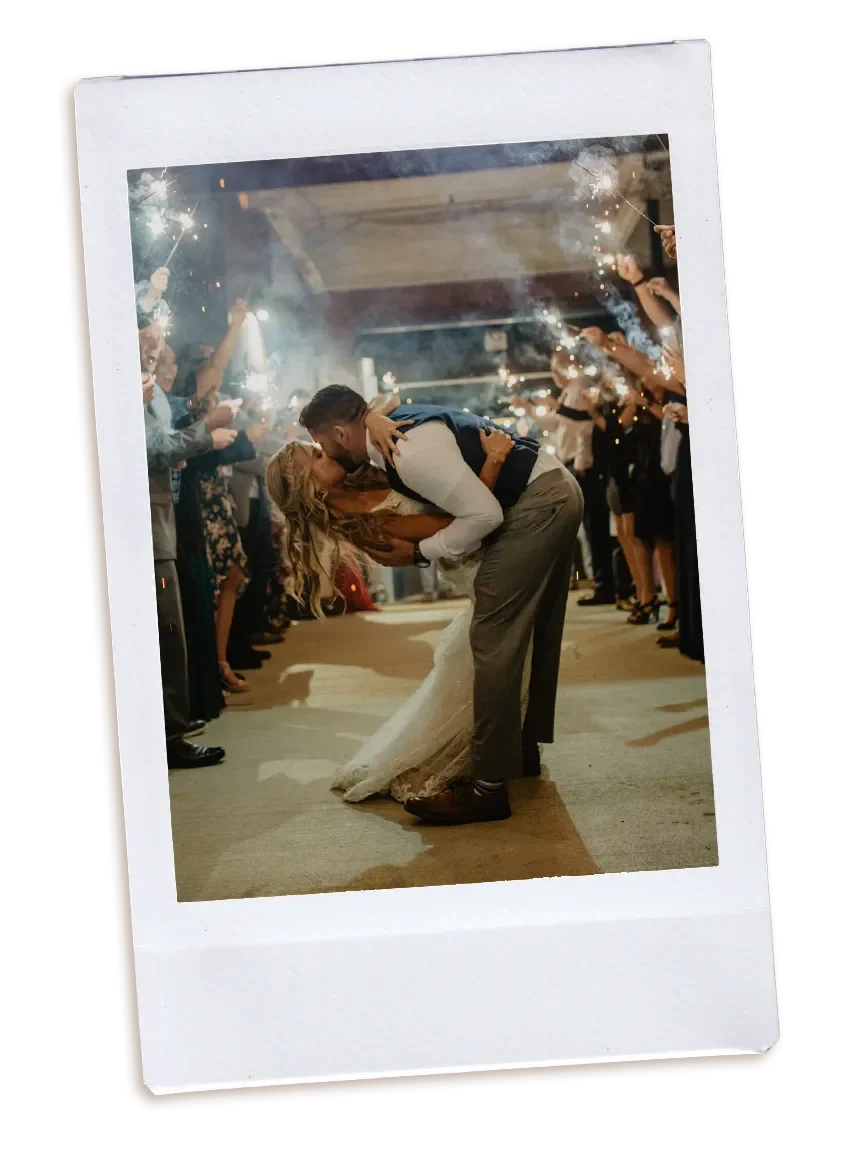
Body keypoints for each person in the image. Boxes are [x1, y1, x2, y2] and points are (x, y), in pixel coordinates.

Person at [289, 385, 584, 826]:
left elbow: (484, 516)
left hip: (539, 502)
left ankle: (487, 790)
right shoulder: (390, 443)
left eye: (319, 443)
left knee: (493, 639)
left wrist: (422, 552)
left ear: (338, 433)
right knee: (530, 630)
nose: (322, 450)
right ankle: (519, 752)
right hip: (552, 487)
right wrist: (372, 415)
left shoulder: (406, 454)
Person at [267, 408, 519, 804]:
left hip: (486, 553)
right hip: (478, 567)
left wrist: (374, 420)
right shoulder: (366, 522)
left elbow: (376, 406)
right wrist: (495, 459)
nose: (325, 451)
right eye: (315, 457)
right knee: (485, 675)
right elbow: (458, 523)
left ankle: (506, 753)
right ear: (308, 488)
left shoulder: (356, 477)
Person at [142, 321, 233, 770]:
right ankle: (169, 736)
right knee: (168, 631)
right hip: (149, 525)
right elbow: (152, 448)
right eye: (146, 348)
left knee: (169, 631)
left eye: (157, 351)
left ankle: (171, 726)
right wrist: (208, 434)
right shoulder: (131, 390)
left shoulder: (146, 392)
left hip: (160, 520)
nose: (151, 358)